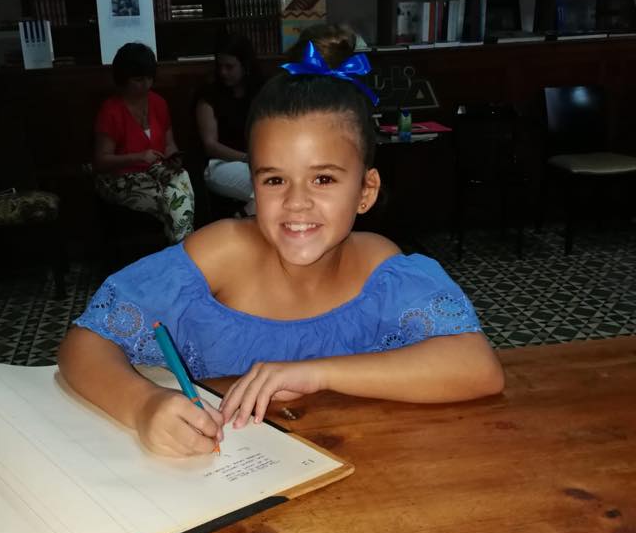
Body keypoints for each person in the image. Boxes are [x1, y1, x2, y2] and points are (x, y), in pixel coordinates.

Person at [59, 37, 504, 458]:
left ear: (365, 191)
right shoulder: (220, 253)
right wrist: (143, 405)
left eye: (323, 179)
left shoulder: (381, 269)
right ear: (252, 186)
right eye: (275, 180)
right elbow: (83, 345)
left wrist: (315, 372)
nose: (296, 202)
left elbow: (477, 367)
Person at [93, 42, 194, 244]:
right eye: (138, 80)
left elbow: (169, 144)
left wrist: (173, 158)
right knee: (170, 199)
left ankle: (180, 247)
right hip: (123, 177)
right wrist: (138, 157)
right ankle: (184, 247)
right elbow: (101, 161)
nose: (146, 85)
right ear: (123, 79)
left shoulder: (158, 103)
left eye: (149, 78)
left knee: (181, 177)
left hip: (157, 170)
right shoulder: (111, 111)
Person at [194, 32, 262, 217]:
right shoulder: (209, 95)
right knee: (267, 184)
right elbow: (210, 146)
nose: (223, 72)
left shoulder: (260, 92)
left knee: (279, 180)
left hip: (258, 161)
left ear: (245, 66)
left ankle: (244, 215)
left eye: (229, 67)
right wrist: (247, 158)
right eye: (220, 66)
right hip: (220, 164)